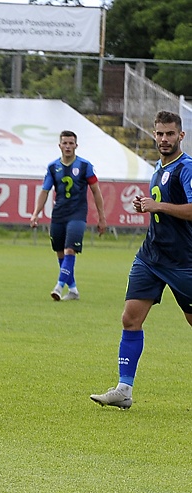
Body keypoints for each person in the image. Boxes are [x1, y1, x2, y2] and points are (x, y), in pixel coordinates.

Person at [91, 111, 192, 409]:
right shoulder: (158, 168)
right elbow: (161, 209)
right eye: (159, 133)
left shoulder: (186, 168)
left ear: (181, 136)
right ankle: (124, 389)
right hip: (150, 256)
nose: (163, 139)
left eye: (169, 134)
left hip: (182, 261)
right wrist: (146, 207)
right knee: (130, 318)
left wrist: (157, 205)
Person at [30, 130, 107, 301]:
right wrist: (35, 213)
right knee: (60, 252)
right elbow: (44, 191)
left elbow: (96, 191)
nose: (68, 146)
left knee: (70, 249)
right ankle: (73, 290)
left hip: (77, 214)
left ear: (76, 146)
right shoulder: (52, 167)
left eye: (71, 143)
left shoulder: (85, 166)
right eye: (65, 143)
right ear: (60, 145)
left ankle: (58, 287)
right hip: (58, 214)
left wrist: (102, 217)